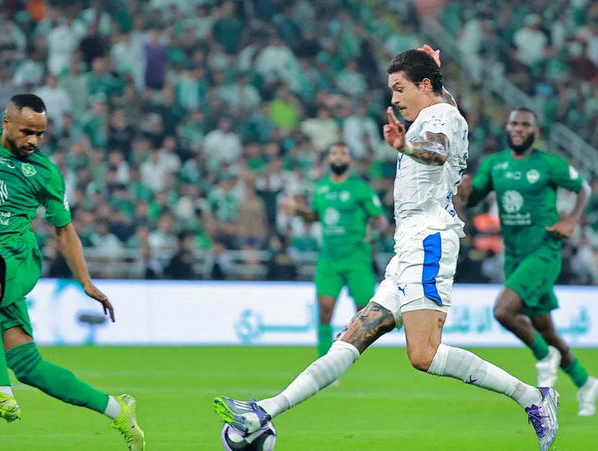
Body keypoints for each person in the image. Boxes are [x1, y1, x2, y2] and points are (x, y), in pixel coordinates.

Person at [213, 46, 559, 451]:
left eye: (399, 88)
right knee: (351, 337)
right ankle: (265, 409)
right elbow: (443, 102)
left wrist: (406, 146)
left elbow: (437, 152)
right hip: (409, 245)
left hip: (429, 241)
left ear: (423, 86)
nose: (393, 99)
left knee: (424, 355)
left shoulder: (440, 119)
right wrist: (433, 72)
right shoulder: (442, 108)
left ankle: (533, 398)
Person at [0, 94, 145, 451]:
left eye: (40, 133)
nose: (34, 140)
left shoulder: (44, 173)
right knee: (28, 366)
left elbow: (64, 230)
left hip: (15, 255)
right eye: (27, 131)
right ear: (6, 123)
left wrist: (85, 281)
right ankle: (119, 411)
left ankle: (2, 393)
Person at [458, 107, 598, 416]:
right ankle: (585, 381)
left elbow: (584, 187)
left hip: (544, 250)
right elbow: (473, 198)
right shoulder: (495, 164)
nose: (519, 128)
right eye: (514, 123)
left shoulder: (548, 163)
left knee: (503, 310)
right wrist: (465, 190)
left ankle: (544, 357)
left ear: (535, 131)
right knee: (545, 328)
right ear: (507, 128)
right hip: (514, 254)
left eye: (526, 124)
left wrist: (572, 220)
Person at [283, 143, 387, 358]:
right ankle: (323, 360)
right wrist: (297, 211)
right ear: (327, 160)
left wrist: (374, 235)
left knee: (364, 313)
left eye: (343, 153)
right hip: (329, 258)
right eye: (333, 153)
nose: (338, 156)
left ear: (350, 161)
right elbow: (314, 216)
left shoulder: (359, 187)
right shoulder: (321, 187)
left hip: (356, 257)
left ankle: (349, 354)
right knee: (324, 308)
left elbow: (380, 220)